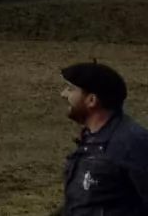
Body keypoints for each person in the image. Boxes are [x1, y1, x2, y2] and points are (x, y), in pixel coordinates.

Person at [58, 62, 148, 215]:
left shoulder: (131, 143)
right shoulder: (91, 139)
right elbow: (83, 204)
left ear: (92, 100)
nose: (64, 94)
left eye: (72, 89)